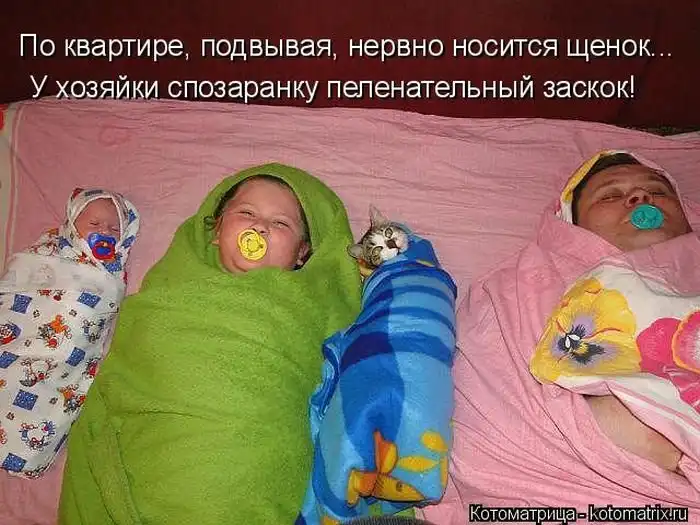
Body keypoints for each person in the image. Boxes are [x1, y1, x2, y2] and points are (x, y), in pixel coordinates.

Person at [58, 163, 363, 525]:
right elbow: (127, 371)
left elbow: (344, 378)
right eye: (246, 213)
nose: (259, 227)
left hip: (253, 458)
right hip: (159, 455)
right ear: (217, 231)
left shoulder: (306, 307)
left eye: (280, 223)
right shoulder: (169, 297)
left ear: (302, 253)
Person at [421, 151, 700, 525]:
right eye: (610, 195)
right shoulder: (524, 283)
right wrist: (595, 425)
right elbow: (491, 382)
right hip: (563, 481)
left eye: (658, 191)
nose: (640, 198)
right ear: (572, 224)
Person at [0, 188, 139, 479]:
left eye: (114, 229)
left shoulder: (111, 268)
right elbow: (17, 277)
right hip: (23, 336)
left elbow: (106, 301)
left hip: (65, 351)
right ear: (72, 226)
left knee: (48, 397)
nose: (105, 232)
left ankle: (23, 456)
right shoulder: (47, 252)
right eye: (94, 224)